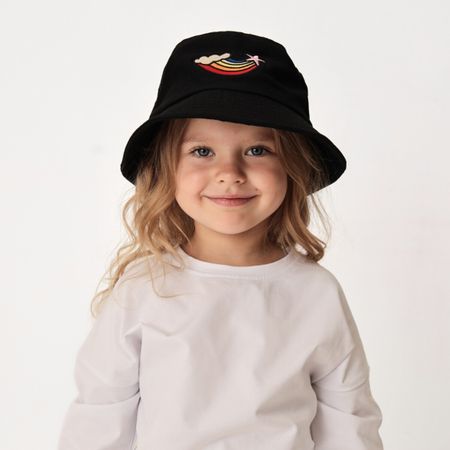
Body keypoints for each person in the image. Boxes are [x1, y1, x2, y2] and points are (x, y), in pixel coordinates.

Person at [57, 30, 384, 449]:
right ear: (167, 168)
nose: (229, 173)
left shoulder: (316, 293)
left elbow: (349, 421)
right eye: (202, 151)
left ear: (293, 166)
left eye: (257, 150)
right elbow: (99, 420)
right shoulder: (143, 289)